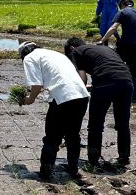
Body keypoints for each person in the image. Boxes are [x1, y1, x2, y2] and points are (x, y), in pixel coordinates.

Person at [18, 42, 90, 181]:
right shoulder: (56, 54)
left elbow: (37, 84)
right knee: (73, 135)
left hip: (63, 97)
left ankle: (46, 171)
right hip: (81, 95)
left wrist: (30, 99)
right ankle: (73, 168)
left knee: (52, 136)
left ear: (23, 54)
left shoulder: (30, 58)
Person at [64, 37, 134, 168]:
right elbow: (112, 72)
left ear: (71, 48)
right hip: (126, 81)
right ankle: (124, 157)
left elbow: (82, 79)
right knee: (123, 124)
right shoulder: (103, 49)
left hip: (104, 82)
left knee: (95, 125)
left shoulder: (75, 52)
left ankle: (94, 160)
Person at [99, 0, 136, 100]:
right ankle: (134, 95)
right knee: (135, 71)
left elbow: (113, 27)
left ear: (122, 4)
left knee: (114, 64)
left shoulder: (123, 12)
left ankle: (112, 89)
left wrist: (102, 40)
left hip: (126, 44)